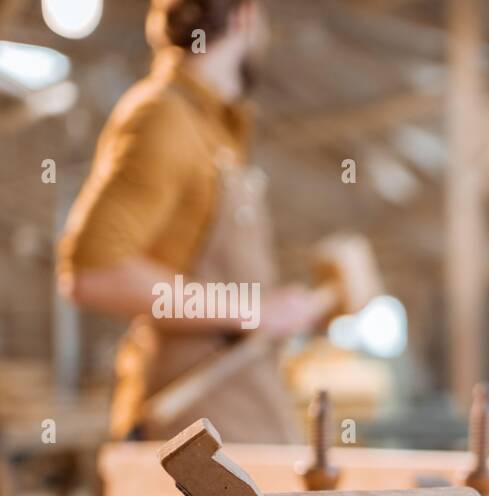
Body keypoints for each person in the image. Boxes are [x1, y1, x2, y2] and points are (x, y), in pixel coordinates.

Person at [58, 0, 329, 442]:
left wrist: (279, 310)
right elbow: (93, 273)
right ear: (245, 16)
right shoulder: (161, 115)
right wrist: (254, 310)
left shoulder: (214, 128)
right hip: (190, 422)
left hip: (235, 408)